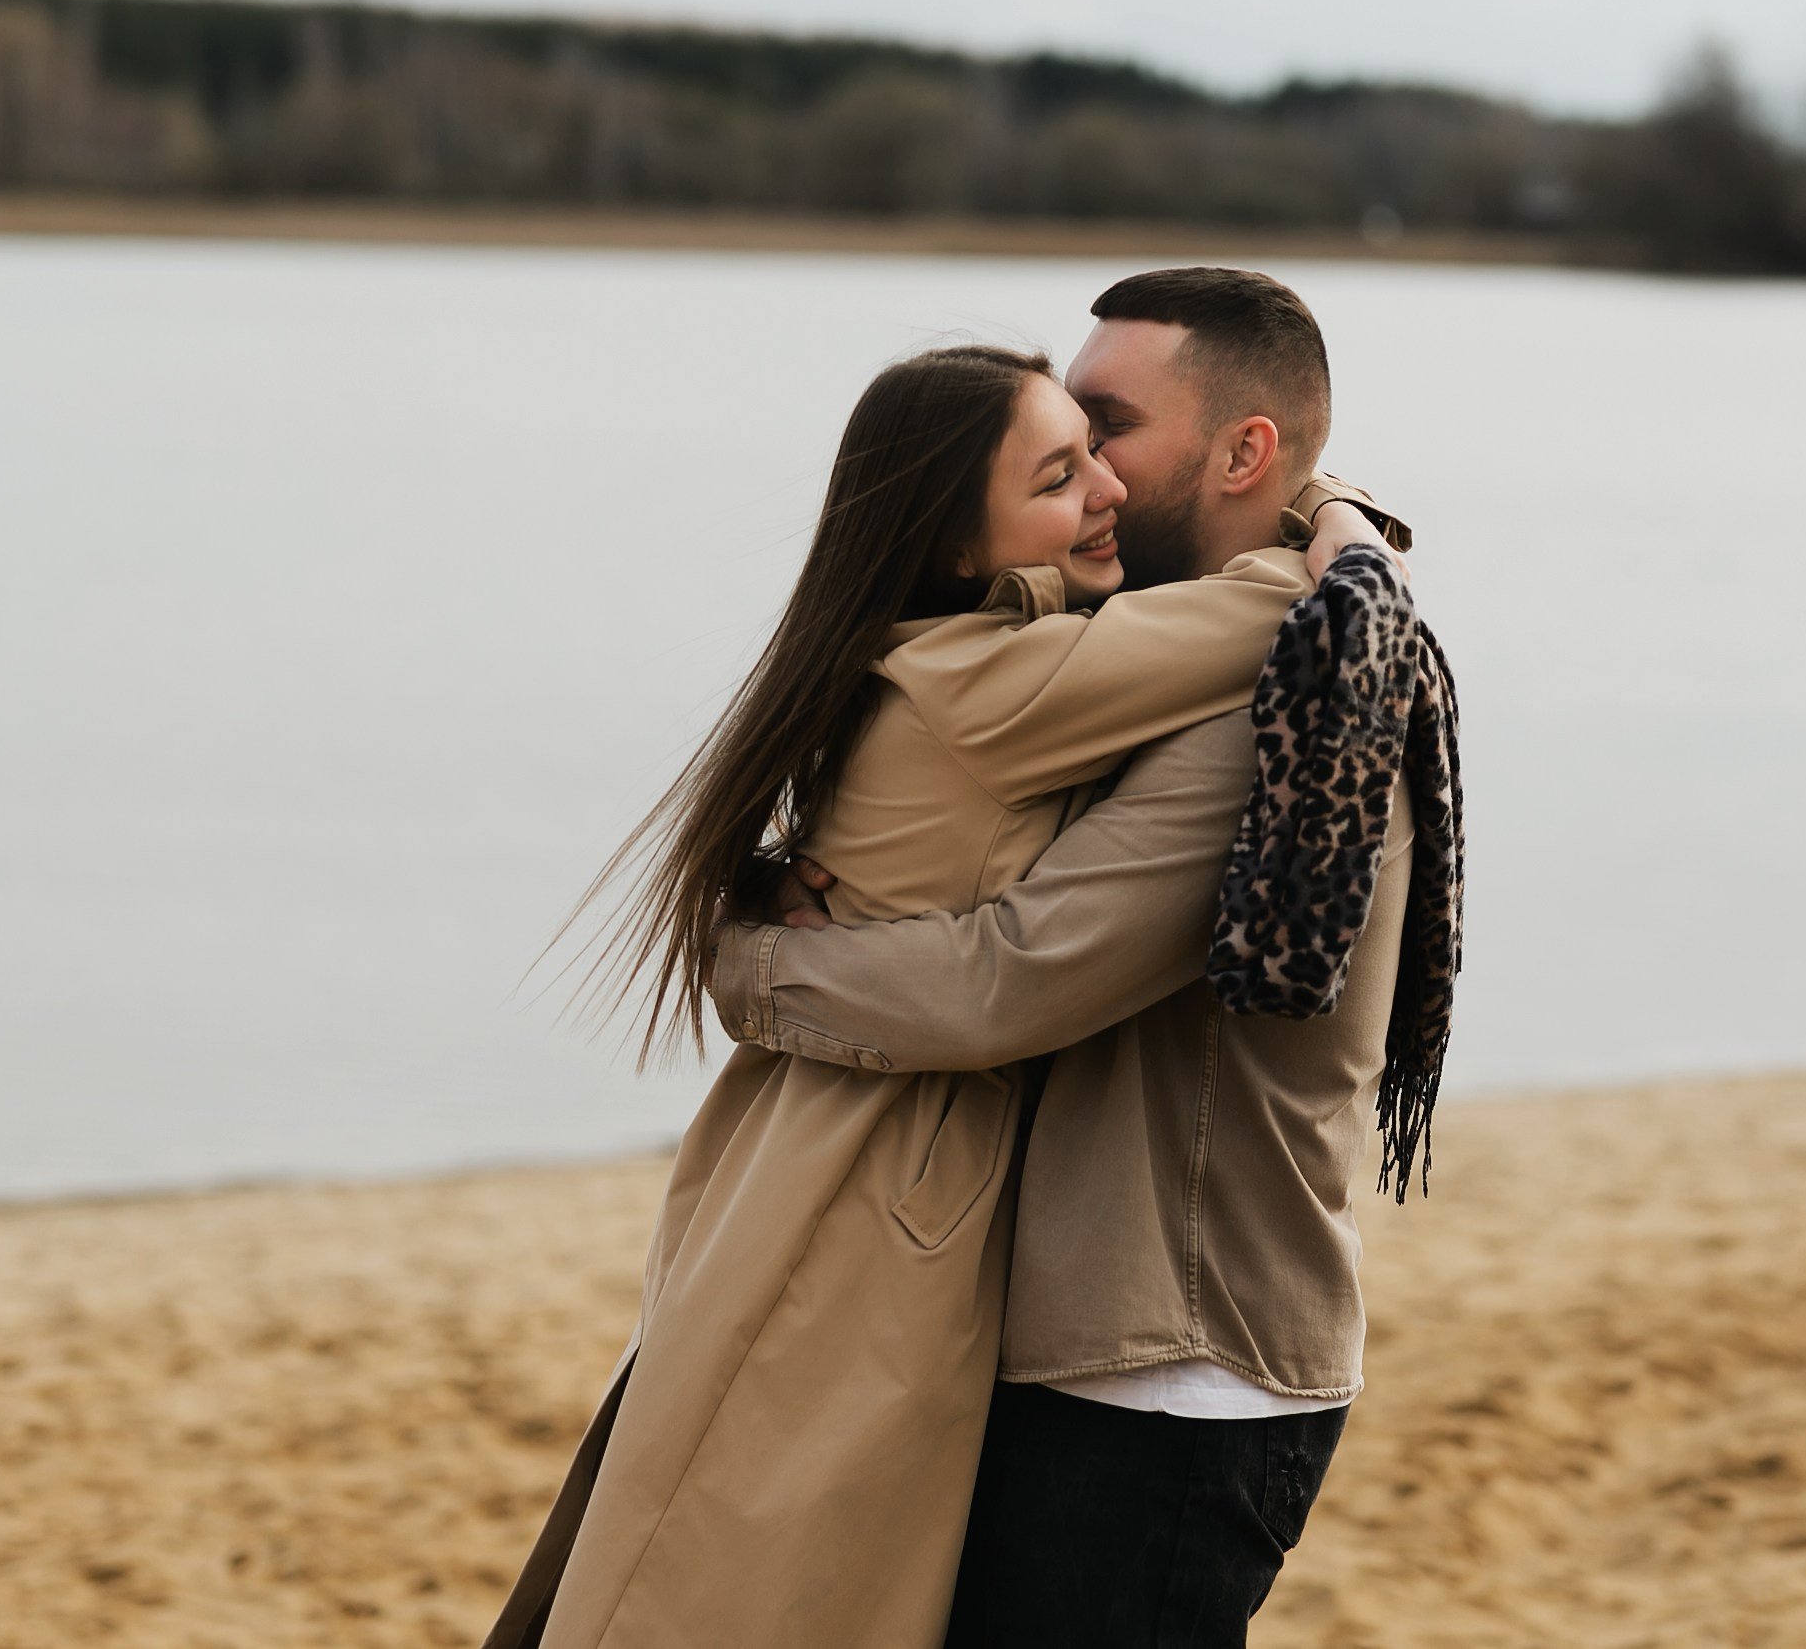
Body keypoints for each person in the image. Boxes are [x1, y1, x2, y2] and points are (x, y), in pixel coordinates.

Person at [482, 326, 1401, 1649]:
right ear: (960, 545)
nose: (1106, 495)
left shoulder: (945, 656)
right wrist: (1340, 514)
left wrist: (759, 957)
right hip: (870, 1181)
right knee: (760, 1575)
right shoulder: (996, 682)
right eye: (1057, 476)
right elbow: (1277, 610)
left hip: (814, 1141)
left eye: (1100, 451)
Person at [708, 267, 1439, 1646]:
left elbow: (1017, 973)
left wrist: (758, 968)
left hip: (1165, 1365)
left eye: (1108, 427)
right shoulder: (1171, 658)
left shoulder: (1284, 703)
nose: (1090, 471)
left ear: (1246, 453)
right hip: (1115, 1350)